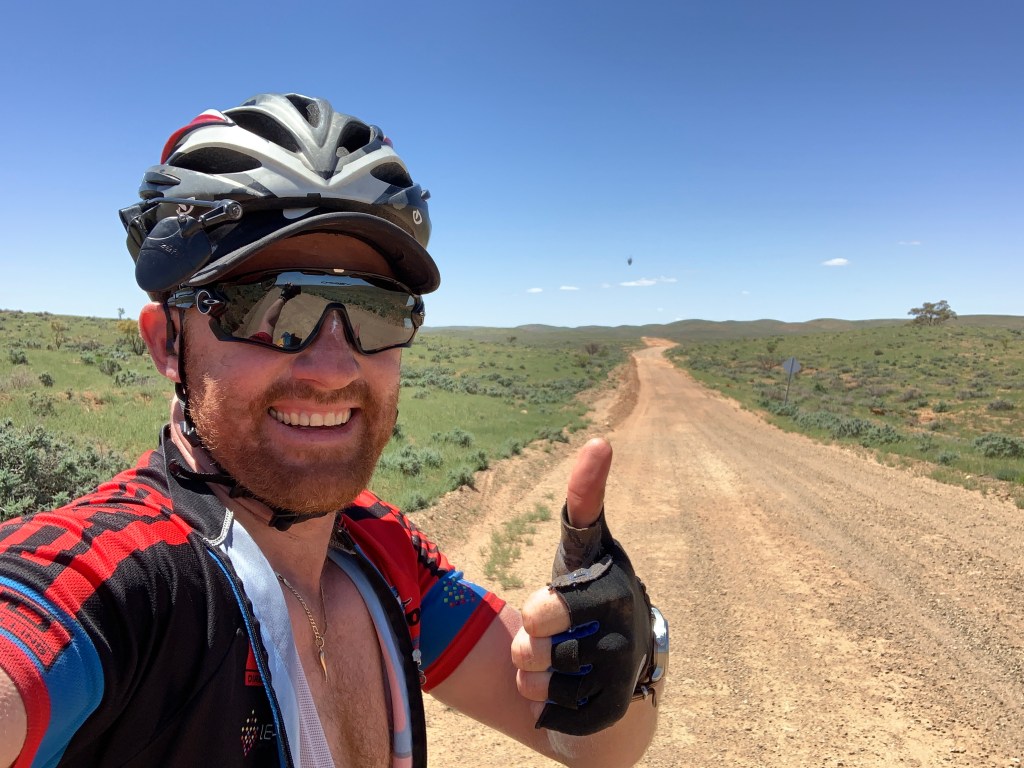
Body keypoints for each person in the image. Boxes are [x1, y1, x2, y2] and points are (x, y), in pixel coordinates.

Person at [0, 93, 667, 767]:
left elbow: (591, 747)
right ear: (168, 343)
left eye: (375, 311)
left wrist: (622, 656)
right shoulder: (124, 582)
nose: (333, 369)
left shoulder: (384, 552)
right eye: (267, 306)